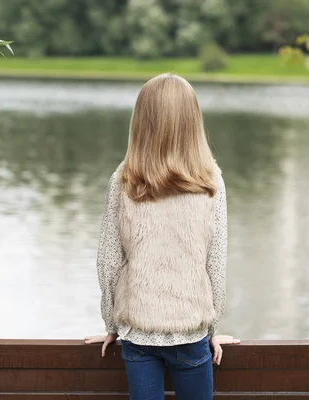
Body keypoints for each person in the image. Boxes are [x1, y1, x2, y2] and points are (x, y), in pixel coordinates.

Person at [85, 73, 239, 400]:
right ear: (192, 122)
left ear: (141, 121)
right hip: (190, 332)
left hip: (137, 335)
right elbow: (217, 267)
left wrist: (112, 325)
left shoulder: (124, 181)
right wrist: (211, 329)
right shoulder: (211, 183)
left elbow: (108, 263)